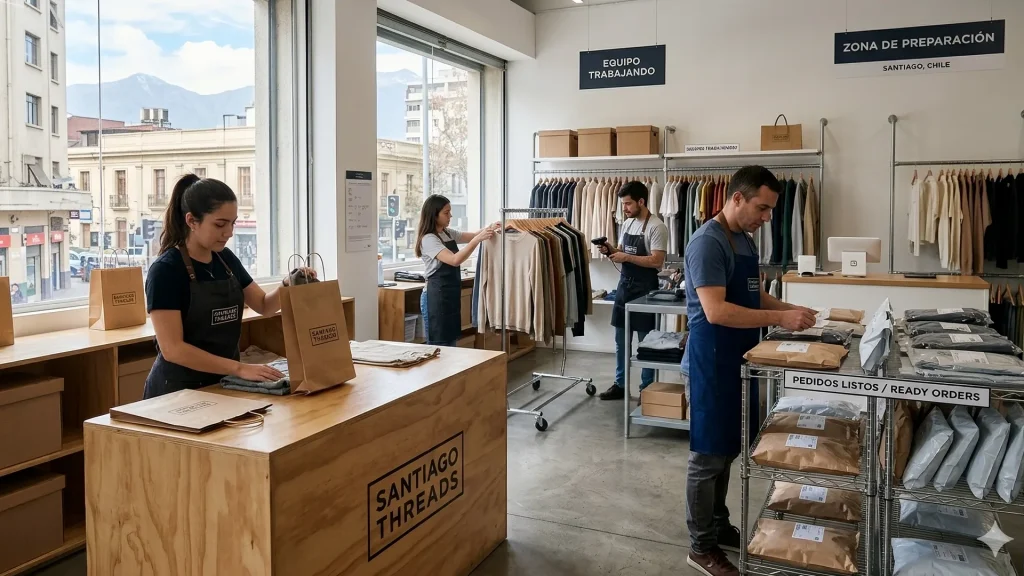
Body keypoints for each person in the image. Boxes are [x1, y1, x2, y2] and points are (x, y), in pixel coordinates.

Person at [682, 166, 816, 576]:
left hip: (738, 359)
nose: (767, 217)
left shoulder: (744, 238)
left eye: (771, 210)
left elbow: (754, 295)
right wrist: (780, 320)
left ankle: (717, 525)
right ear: (737, 198)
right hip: (709, 361)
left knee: (727, 450)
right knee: (708, 456)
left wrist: (791, 310)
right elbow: (716, 311)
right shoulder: (708, 243)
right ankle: (701, 547)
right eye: (762, 208)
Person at [144, 174, 316, 399]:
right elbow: (173, 349)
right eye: (220, 224)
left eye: (232, 223)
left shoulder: (225, 259)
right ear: (192, 221)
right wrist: (239, 368)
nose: (229, 232)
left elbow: (264, 305)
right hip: (178, 392)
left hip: (223, 383)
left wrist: (289, 283)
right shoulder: (166, 271)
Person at [597, 180, 669, 401]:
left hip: (645, 289)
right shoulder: (628, 224)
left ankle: (646, 388)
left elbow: (657, 260)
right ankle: (620, 384)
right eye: (623, 204)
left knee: (646, 342)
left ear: (641, 201)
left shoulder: (657, 226)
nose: (624, 208)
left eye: (628, 204)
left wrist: (626, 257)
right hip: (624, 287)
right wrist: (610, 250)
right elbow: (621, 250)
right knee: (621, 340)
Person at [414, 194, 498, 346]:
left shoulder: (446, 233)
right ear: (434, 215)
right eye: (446, 212)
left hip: (450, 296)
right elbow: (454, 260)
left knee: (451, 344)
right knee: (439, 344)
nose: (450, 216)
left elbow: (472, 235)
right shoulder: (429, 239)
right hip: (435, 298)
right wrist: (477, 240)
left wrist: (492, 227)